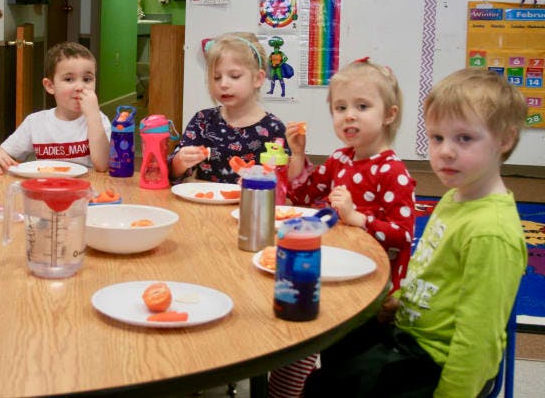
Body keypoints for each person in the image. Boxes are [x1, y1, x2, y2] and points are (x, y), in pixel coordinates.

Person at [304, 67, 529, 397]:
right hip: (409, 330)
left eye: (464, 138)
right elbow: (430, 273)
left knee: (327, 387)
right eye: (437, 138)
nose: (445, 151)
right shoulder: (456, 196)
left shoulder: (490, 233)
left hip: (433, 361)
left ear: (505, 139)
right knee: (333, 342)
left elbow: (477, 340)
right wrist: (396, 301)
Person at [270, 58, 415, 397]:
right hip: (338, 267)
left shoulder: (393, 171)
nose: (349, 115)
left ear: (389, 114)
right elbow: (302, 193)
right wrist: (297, 153)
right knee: (327, 344)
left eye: (362, 106)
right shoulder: (341, 158)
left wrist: (358, 218)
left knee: (352, 358)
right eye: (340, 107)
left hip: (375, 288)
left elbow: (403, 235)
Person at [168, 32, 289, 184]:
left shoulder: (273, 128)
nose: (223, 84)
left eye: (235, 76)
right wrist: (180, 162)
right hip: (206, 205)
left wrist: (260, 180)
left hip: (250, 204)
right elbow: (173, 175)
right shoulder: (203, 121)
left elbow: (285, 181)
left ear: (258, 78)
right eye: (216, 77)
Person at [0, 41, 111, 174]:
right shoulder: (35, 122)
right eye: (69, 79)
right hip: (44, 187)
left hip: (85, 188)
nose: (80, 87)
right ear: (50, 86)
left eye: (87, 79)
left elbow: (102, 165)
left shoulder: (99, 120)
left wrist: (93, 117)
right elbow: (3, 152)